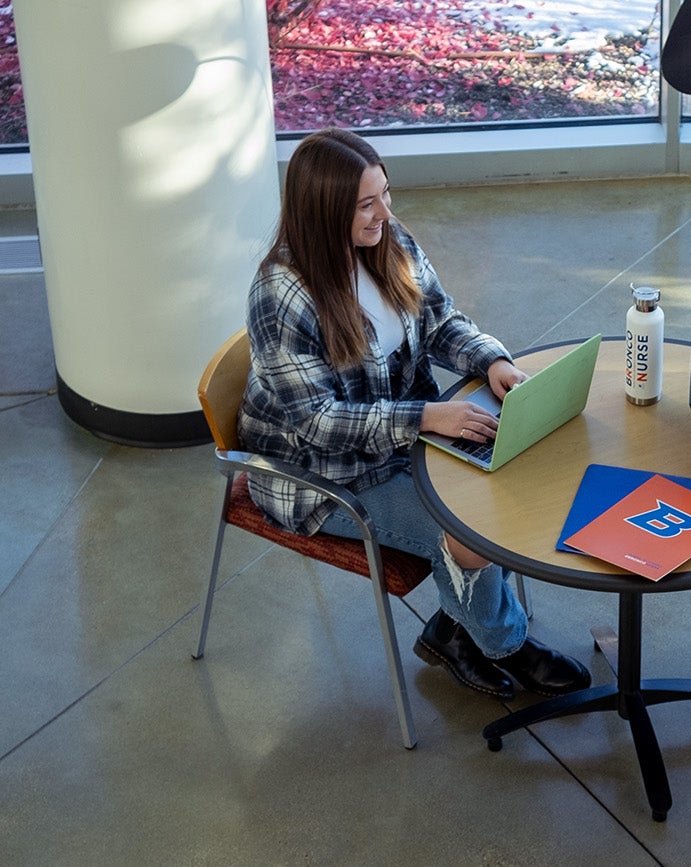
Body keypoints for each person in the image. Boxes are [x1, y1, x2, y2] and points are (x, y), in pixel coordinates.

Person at [239, 127, 590, 702]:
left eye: (385, 195)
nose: (385, 213)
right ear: (324, 212)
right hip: (325, 479)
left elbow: (441, 320)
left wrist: (491, 359)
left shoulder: (386, 243)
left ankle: (455, 626)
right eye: (366, 204)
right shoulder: (284, 296)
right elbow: (318, 422)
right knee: (474, 529)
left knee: (515, 479)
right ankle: (501, 643)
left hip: (403, 444)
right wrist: (426, 417)